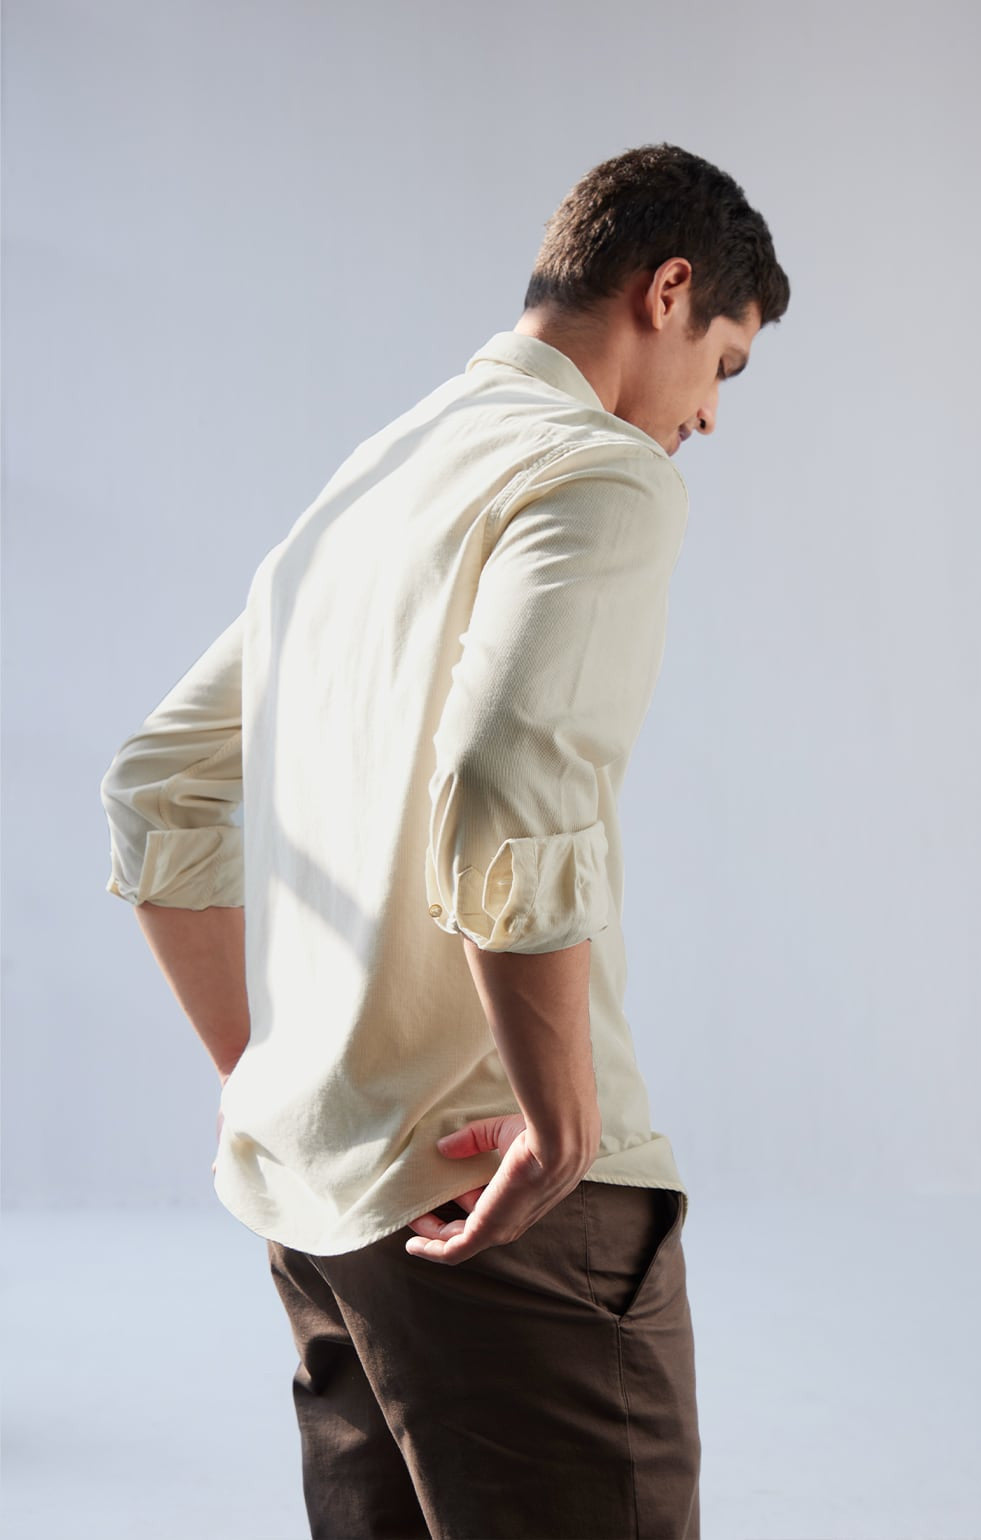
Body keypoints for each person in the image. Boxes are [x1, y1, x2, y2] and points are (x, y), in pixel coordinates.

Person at [99, 140, 790, 1539]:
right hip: (506, 1204)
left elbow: (158, 784)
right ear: (667, 291)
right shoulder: (599, 470)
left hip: (326, 1215)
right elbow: (508, 774)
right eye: (725, 364)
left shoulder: (376, 479)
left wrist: (272, 1070)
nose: (712, 416)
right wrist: (560, 1115)